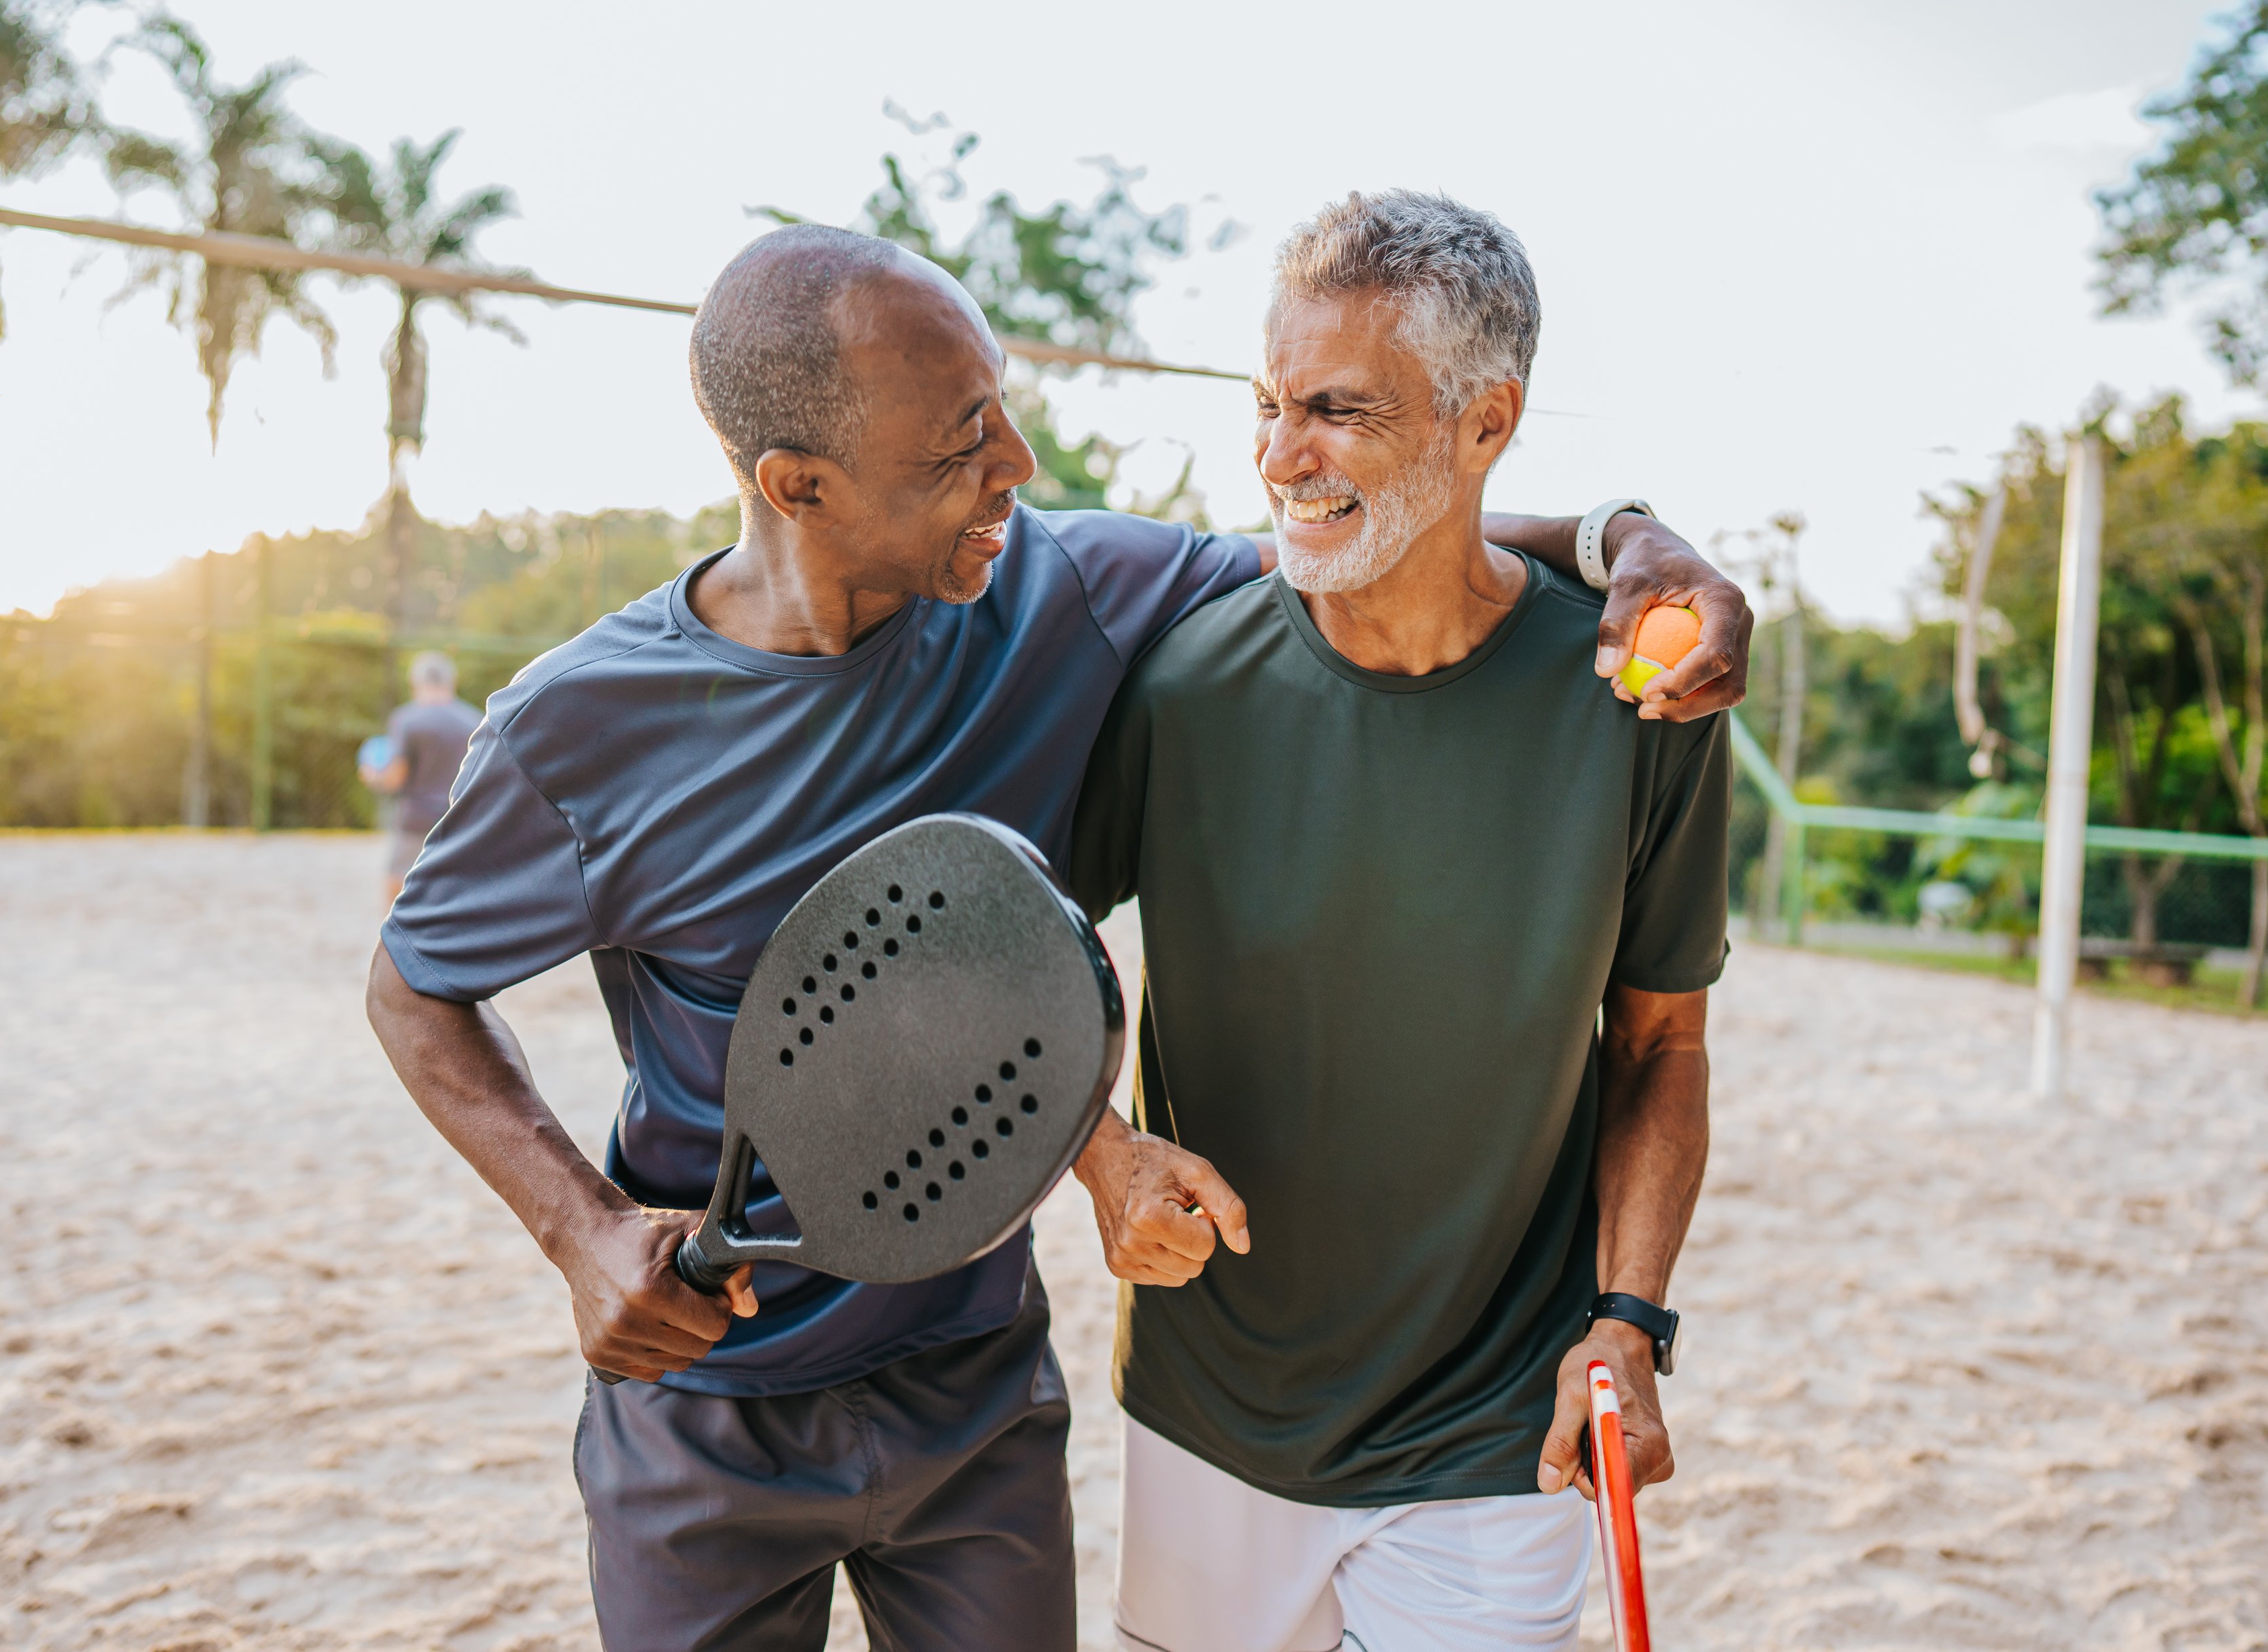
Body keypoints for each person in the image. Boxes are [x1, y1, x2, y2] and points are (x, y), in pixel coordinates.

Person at [363, 222, 1746, 1652]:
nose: (1017, 464)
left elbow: (1371, 534)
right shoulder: (582, 726)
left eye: (1002, 406)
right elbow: (415, 989)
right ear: (798, 485)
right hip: (705, 1399)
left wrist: (1633, 544)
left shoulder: (1063, 592)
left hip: (974, 1383)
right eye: (965, 441)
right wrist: (579, 1229)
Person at [1068, 191, 1726, 1652]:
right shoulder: (1181, 679)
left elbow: (1663, 1040)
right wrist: (1101, 1153)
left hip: (1503, 1423)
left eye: (1340, 410)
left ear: (1484, 424)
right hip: (1209, 1406)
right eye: (1269, 402)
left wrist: (1631, 1315)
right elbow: (1019, 943)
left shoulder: (1640, 699)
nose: (1280, 455)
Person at [361, 650, 483, 906]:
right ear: (452, 681)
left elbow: (395, 777)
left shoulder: (406, 719)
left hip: (415, 817)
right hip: (457, 815)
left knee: (397, 878)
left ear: (416, 682)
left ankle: (392, 937)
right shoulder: (473, 719)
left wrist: (373, 777)